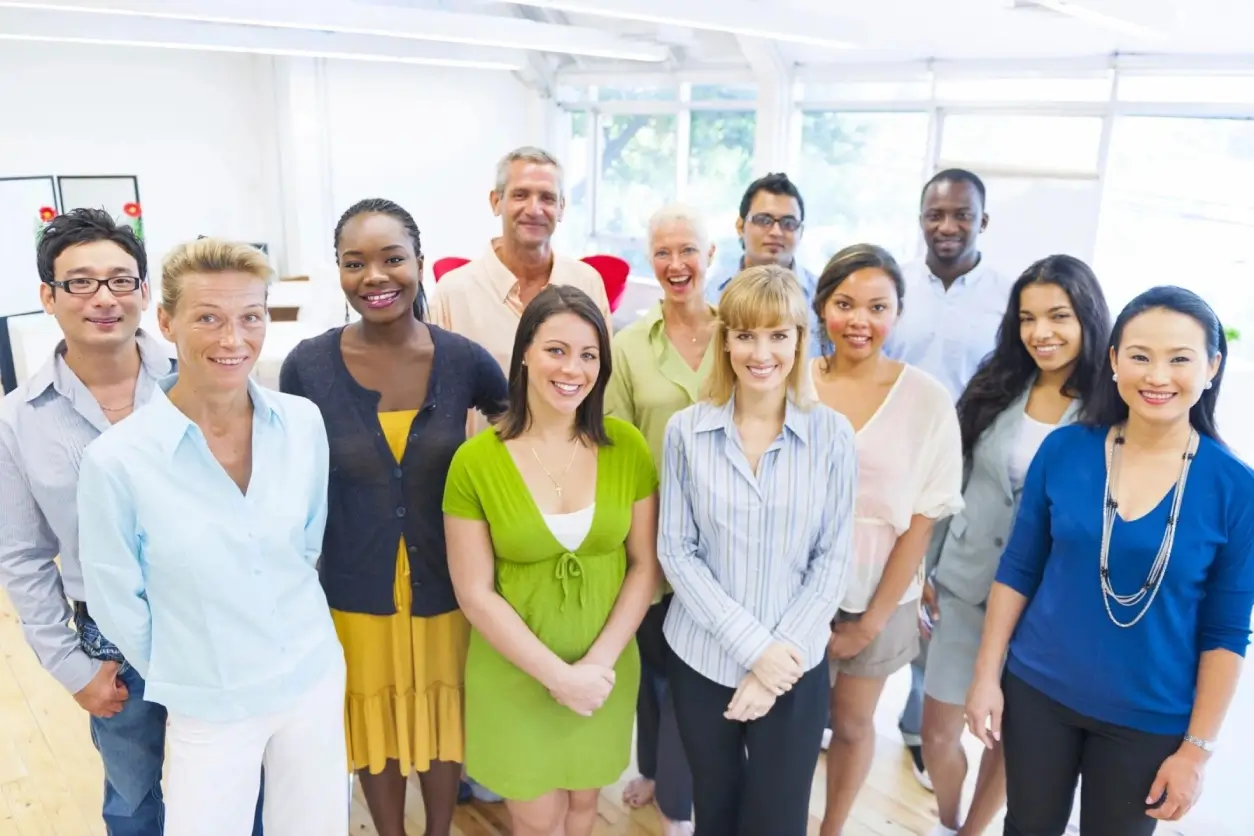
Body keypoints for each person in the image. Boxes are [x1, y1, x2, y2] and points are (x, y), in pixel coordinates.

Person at [0, 209, 263, 836]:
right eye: (80, 282)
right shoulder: (19, 419)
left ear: (145, 293)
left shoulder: (204, 377)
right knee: (132, 795)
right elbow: (23, 557)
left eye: (120, 280)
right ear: (48, 296)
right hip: (110, 640)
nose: (103, 298)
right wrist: (72, 667)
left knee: (236, 786)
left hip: (217, 620)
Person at [77, 238, 347, 836]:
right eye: (208, 318)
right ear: (165, 321)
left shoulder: (302, 423)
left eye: (251, 317)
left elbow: (305, 546)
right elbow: (116, 600)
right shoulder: (117, 461)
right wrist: (191, 667)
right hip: (209, 699)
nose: (233, 339)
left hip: (311, 675)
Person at [966, 286, 1254, 836]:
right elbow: (1019, 569)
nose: (1157, 376)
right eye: (1140, 356)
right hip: (1037, 691)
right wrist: (985, 677)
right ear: (1115, 360)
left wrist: (1196, 752)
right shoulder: (1065, 449)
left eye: (1180, 359)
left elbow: (1227, 632)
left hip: (1150, 717)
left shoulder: (1237, 490)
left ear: (1213, 367)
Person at [278, 198, 508, 836]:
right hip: (355, 586)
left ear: (419, 263)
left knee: (442, 715)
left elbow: (518, 434)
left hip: (449, 584)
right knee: (374, 718)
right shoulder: (307, 367)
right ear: (339, 271)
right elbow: (287, 475)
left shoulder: (463, 360)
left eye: (391, 259)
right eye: (355, 263)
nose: (374, 276)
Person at [442, 284, 660, 836]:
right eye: (556, 350)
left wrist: (594, 668)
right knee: (536, 821)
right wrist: (558, 677)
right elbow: (474, 593)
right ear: (524, 354)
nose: (572, 369)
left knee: (584, 809)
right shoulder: (474, 462)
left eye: (589, 355)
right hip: (515, 675)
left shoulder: (627, 448)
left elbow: (644, 565)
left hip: (604, 672)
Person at [659, 265, 856, 836]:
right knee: (715, 810)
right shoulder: (685, 432)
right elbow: (676, 551)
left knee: (779, 819)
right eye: (745, 335)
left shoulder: (832, 435)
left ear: (800, 340)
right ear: (725, 342)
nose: (761, 352)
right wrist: (753, 650)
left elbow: (833, 559)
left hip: (795, 664)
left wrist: (773, 665)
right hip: (703, 659)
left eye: (777, 335)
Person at [918, 256, 1111, 836]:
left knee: (1008, 738)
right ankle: (949, 818)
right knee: (937, 732)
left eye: (1058, 316)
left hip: (1045, 606)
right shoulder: (998, 384)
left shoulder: (1109, 408)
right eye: (1028, 318)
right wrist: (927, 565)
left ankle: (970, 832)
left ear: (1087, 318)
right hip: (965, 581)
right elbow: (951, 480)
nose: (1040, 332)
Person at [805, 245, 964, 836]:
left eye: (878, 307)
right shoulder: (793, 379)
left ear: (897, 313)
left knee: (851, 723)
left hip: (880, 589)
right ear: (822, 307)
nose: (860, 321)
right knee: (790, 724)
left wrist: (869, 623)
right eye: (845, 304)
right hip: (793, 586)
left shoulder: (926, 398)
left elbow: (923, 520)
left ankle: (832, 827)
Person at [884, 168, 1015, 787]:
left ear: (982, 221)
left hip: (961, 469)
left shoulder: (1006, 297)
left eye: (961, 214)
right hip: (889, 461)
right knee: (869, 583)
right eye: (935, 214)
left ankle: (918, 724)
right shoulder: (896, 285)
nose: (947, 226)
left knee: (934, 599)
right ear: (920, 219)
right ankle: (837, 709)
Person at [605, 203, 715, 836]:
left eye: (688, 250)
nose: (676, 264)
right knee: (652, 670)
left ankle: (678, 800)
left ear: (711, 256)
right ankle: (651, 769)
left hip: (723, 540)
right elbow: (617, 447)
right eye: (663, 253)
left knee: (693, 677)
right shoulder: (628, 345)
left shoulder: (738, 333)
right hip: (649, 533)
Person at [432, 146, 611, 440]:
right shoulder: (453, 294)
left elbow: (601, 384)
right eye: (520, 195)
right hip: (483, 464)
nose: (534, 209)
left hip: (570, 460)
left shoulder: (587, 283)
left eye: (547, 198)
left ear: (562, 207)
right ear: (496, 201)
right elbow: (439, 404)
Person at [704, 172, 823, 357]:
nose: (776, 232)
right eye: (763, 220)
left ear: (801, 231)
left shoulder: (823, 298)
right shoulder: (711, 294)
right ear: (740, 226)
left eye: (788, 223)